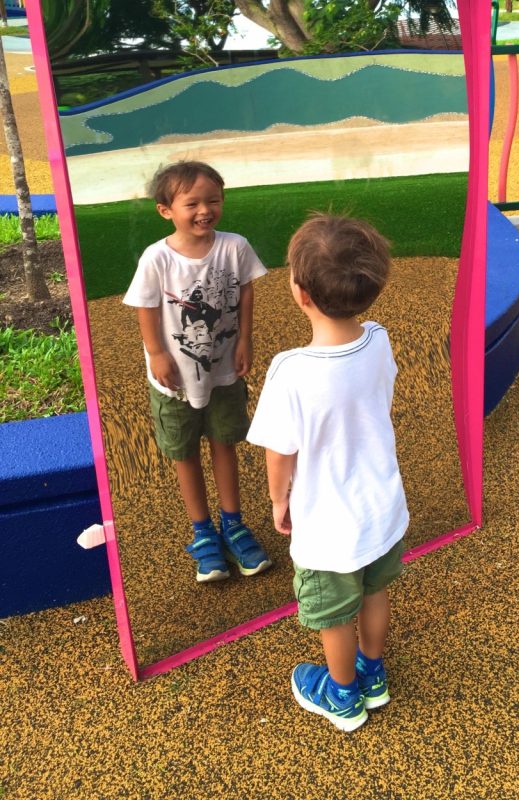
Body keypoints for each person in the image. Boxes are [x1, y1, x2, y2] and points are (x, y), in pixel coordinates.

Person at [247, 213, 409, 732]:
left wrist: (278, 500)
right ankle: (373, 674)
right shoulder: (379, 337)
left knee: (335, 611)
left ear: (299, 293)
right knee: (375, 591)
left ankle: (342, 695)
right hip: (382, 507)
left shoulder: (291, 371)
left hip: (330, 524)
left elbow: (280, 452)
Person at [123, 160, 272, 584]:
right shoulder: (157, 258)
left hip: (224, 371)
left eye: (214, 200)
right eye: (193, 203)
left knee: (225, 443)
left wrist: (244, 339)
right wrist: (156, 352)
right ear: (166, 210)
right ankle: (203, 532)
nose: (205, 210)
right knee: (185, 452)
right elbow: (146, 307)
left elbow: (245, 293)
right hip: (175, 381)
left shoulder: (235, 246)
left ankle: (234, 523)